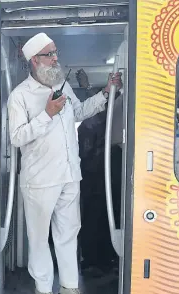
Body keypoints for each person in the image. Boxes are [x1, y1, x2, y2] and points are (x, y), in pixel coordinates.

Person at [7, 32, 122, 294]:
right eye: (50, 54)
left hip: (71, 175)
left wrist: (105, 93)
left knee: (69, 233)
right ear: (35, 60)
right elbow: (17, 137)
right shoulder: (20, 96)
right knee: (39, 237)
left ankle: (69, 286)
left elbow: (79, 112)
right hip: (40, 180)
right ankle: (43, 288)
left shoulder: (61, 84)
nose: (56, 58)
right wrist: (46, 114)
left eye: (56, 52)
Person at [76, 67, 124, 277]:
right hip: (95, 178)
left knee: (101, 216)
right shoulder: (92, 123)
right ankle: (98, 258)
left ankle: (100, 258)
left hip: (100, 177)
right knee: (96, 217)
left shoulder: (106, 121)